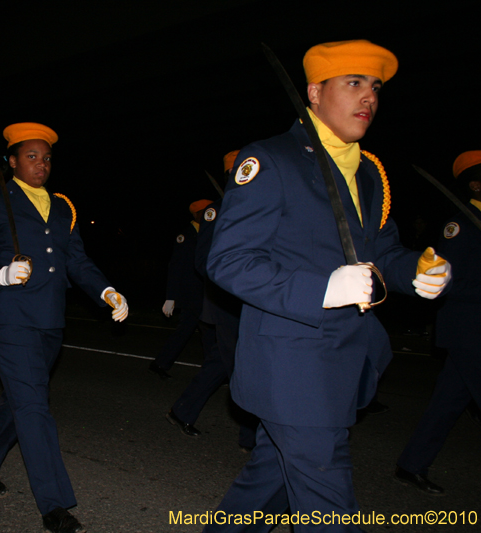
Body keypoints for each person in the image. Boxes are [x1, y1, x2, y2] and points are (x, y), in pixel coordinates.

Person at [203, 40, 451, 531]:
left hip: (343, 358)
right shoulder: (272, 160)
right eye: (354, 83)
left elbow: (380, 253)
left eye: (375, 87)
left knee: (264, 485)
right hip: (292, 366)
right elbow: (228, 260)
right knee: (328, 508)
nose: (369, 98)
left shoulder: (368, 173)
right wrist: (321, 289)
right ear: (315, 93)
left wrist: (418, 272)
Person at [0, 122, 128, 533]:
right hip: (10, 318)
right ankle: (54, 505)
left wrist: (106, 290)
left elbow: (76, 261)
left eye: (46, 158)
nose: (41, 165)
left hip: (50, 320)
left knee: (18, 400)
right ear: (12, 161)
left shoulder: (62, 207)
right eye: (31, 157)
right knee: (34, 405)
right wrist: (1, 274)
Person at [395, 150, 481, 494]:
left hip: (479, 331)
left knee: (448, 402)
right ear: (475, 185)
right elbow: (444, 282)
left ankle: (411, 464)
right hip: (469, 332)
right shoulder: (460, 226)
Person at [166, 152, 257, 451]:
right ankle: (251, 438)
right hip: (227, 304)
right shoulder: (215, 213)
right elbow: (202, 262)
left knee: (222, 363)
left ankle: (182, 411)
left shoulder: (257, 209)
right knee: (245, 369)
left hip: (252, 304)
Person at [149, 199, 212, 380]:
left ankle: (213, 369)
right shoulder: (185, 236)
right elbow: (175, 268)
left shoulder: (207, 233)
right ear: (197, 214)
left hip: (205, 295)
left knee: (203, 333)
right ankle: (213, 369)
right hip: (192, 295)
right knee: (197, 331)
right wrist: (171, 297)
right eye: (206, 212)